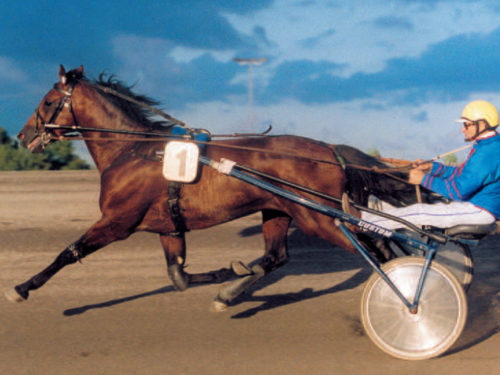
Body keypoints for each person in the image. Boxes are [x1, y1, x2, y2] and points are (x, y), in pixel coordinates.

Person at [345, 100, 500, 230]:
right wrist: (432, 168)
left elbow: (458, 191)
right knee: (413, 207)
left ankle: (360, 223)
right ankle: (364, 217)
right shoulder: (487, 145)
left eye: (466, 125)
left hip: (481, 210)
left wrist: (423, 179)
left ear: (481, 124)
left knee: (419, 212)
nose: (462, 129)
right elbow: (461, 174)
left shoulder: (488, 152)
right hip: (474, 205)